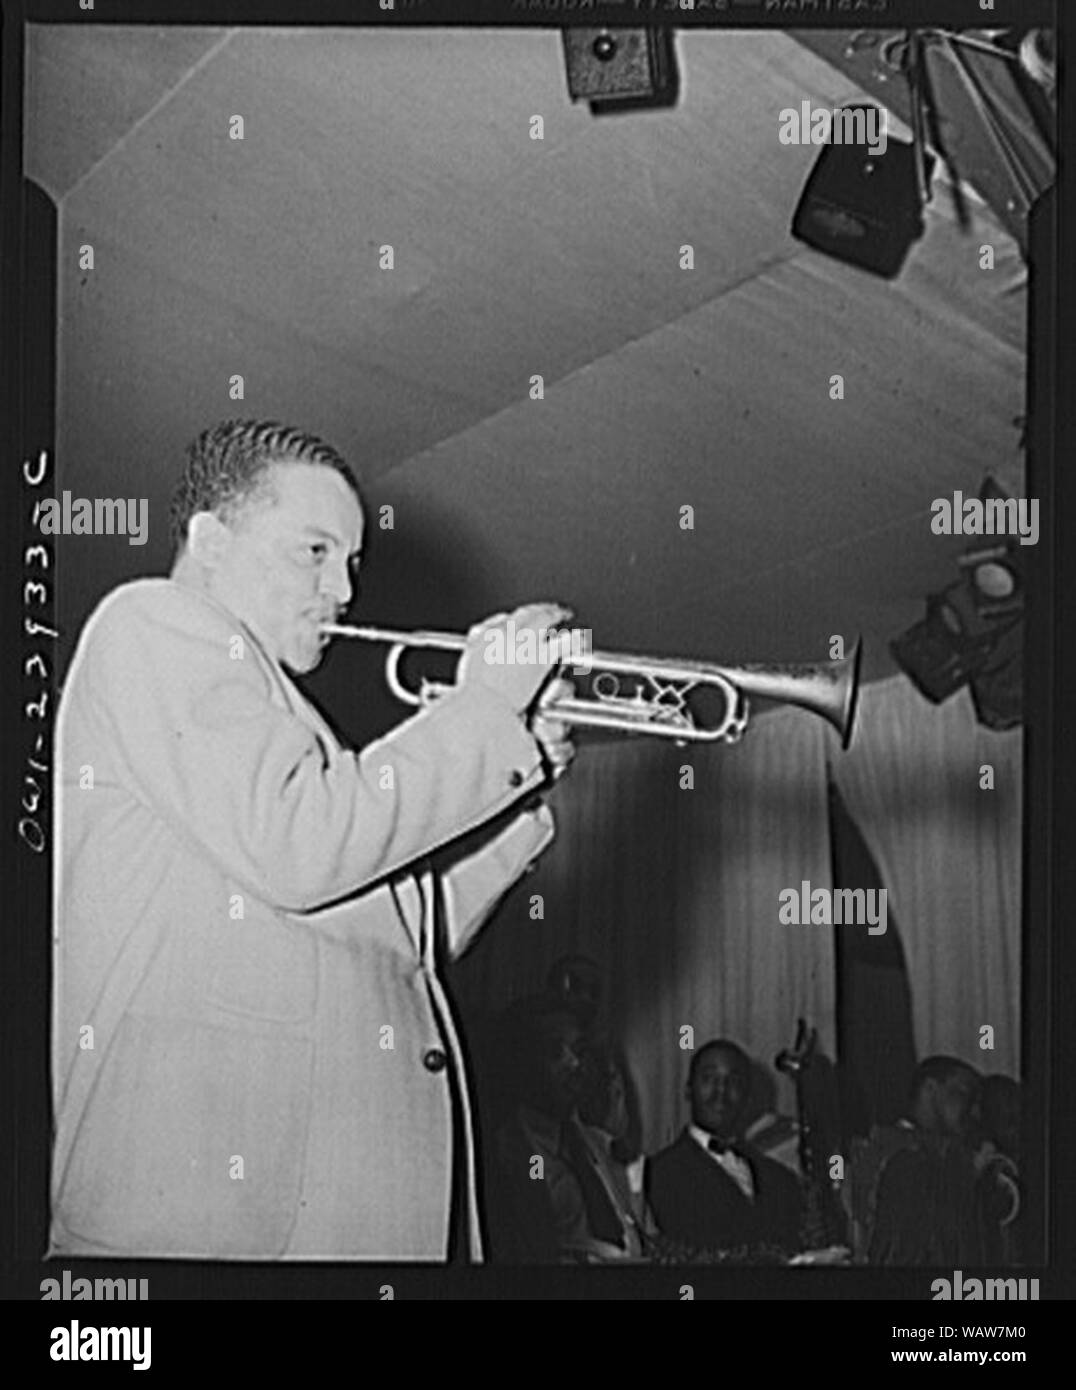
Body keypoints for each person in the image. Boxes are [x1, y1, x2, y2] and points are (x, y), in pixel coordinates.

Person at [50, 418, 576, 1261]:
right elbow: (299, 847)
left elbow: (405, 944)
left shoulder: (290, 729)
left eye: (354, 563)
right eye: (315, 551)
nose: (345, 591)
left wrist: (520, 792)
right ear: (211, 541)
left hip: (332, 1215)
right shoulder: (153, 623)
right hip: (210, 1226)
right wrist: (479, 711)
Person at [487, 996, 650, 1263]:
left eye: (579, 1050)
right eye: (554, 1052)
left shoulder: (595, 1143)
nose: (575, 1064)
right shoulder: (505, 1155)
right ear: (522, 1064)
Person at [645, 1040, 803, 1255]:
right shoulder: (657, 1176)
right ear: (688, 1090)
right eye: (709, 1079)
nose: (721, 1090)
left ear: (747, 1096)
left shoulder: (781, 1178)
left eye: (734, 1081)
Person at [846, 1055, 985, 1265]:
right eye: (963, 1093)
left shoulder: (930, 1154)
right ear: (930, 1088)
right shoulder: (903, 1158)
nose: (974, 1111)